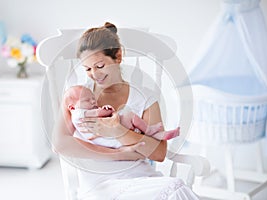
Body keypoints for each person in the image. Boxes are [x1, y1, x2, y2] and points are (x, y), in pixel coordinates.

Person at [54, 22, 199, 199]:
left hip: (143, 179)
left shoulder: (144, 98)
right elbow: (60, 144)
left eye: (100, 66)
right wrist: (121, 154)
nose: (95, 74)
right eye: (87, 69)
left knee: (176, 188)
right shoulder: (78, 97)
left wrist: (117, 131)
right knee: (176, 189)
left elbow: (159, 153)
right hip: (102, 186)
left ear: (118, 56)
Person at [64, 84, 180, 148]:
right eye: (87, 100)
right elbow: (100, 114)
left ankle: (159, 135)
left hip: (110, 132)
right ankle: (150, 130)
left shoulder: (84, 111)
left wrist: (105, 110)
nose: (93, 102)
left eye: (93, 98)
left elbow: (102, 115)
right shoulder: (78, 114)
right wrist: (107, 111)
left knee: (133, 124)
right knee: (130, 116)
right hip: (108, 138)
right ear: (72, 107)